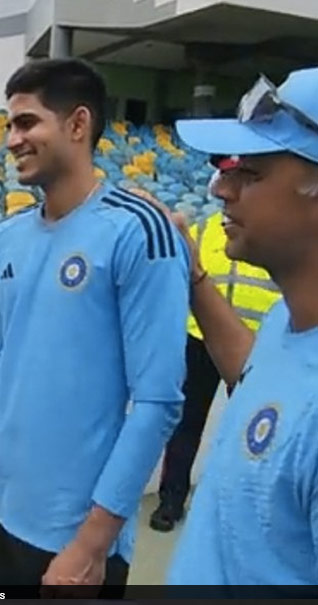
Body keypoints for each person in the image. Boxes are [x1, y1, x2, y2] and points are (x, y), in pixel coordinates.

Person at [0, 58, 189, 596]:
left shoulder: (137, 230)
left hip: (77, 540)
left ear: (78, 125)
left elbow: (157, 402)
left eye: (27, 122)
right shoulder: (9, 237)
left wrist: (93, 541)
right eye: (9, 125)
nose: (12, 139)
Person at [166, 67, 318, 589]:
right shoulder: (288, 318)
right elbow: (258, 381)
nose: (220, 188)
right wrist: (194, 277)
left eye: (250, 173)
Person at [149, 165, 280, 533]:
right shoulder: (204, 229)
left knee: (254, 432)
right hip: (199, 338)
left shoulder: (265, 237)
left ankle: (245, 509)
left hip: (256, 344)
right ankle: (170, 503)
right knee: (186, 424)